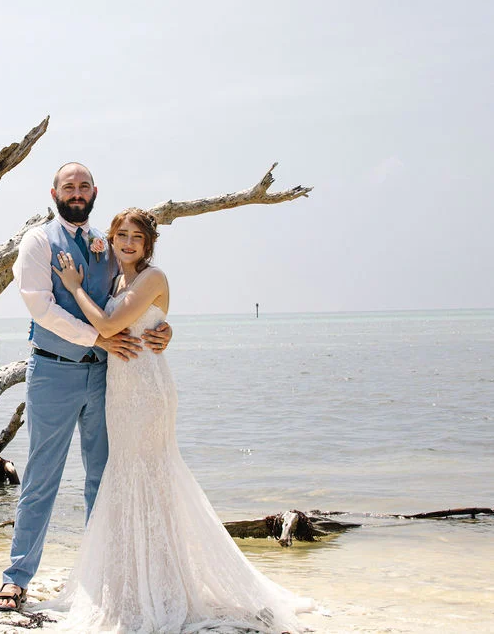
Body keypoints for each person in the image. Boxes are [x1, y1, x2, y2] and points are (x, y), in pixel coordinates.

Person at [43, 207, 314, 633]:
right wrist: (161, 327)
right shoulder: (117, 280)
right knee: (127, 476)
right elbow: (137, 324)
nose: (128, 243)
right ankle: (130, 579)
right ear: (112, 241)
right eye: (121, 236)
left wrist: (75, 287)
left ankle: (165, 582)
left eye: (137, 237)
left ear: (148, 244)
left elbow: (111, 324)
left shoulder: (153, 278)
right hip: (120, 391)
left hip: (148, 393)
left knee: (151, 475)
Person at [0, 163, 172, 612]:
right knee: (41, 477)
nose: (76, 192)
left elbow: (133, 300)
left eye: (83, 186)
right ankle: (16, 577)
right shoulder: (37, 242)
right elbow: (40, 307)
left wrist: (165, 329)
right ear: (54, 191)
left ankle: (103, 575)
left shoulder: (108, 248)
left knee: (103, 477)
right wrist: (98, 337)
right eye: (68, 186)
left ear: (94, 192)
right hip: (54, 372)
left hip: (110, 376)